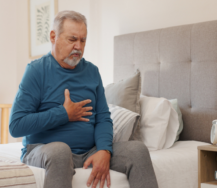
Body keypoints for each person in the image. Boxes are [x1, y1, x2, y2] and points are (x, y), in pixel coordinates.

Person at [9, 10, 158, 188]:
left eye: (83, 40)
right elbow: (16, 125)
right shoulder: (36, 71)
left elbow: (103, 117)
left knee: (137, 150)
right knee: (60, 150)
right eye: (72, 39)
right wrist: (63, 114)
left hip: (89, 152)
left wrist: (104, 149)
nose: (78, 47)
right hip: (45, 149)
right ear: (53, 36)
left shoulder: (92, 72)